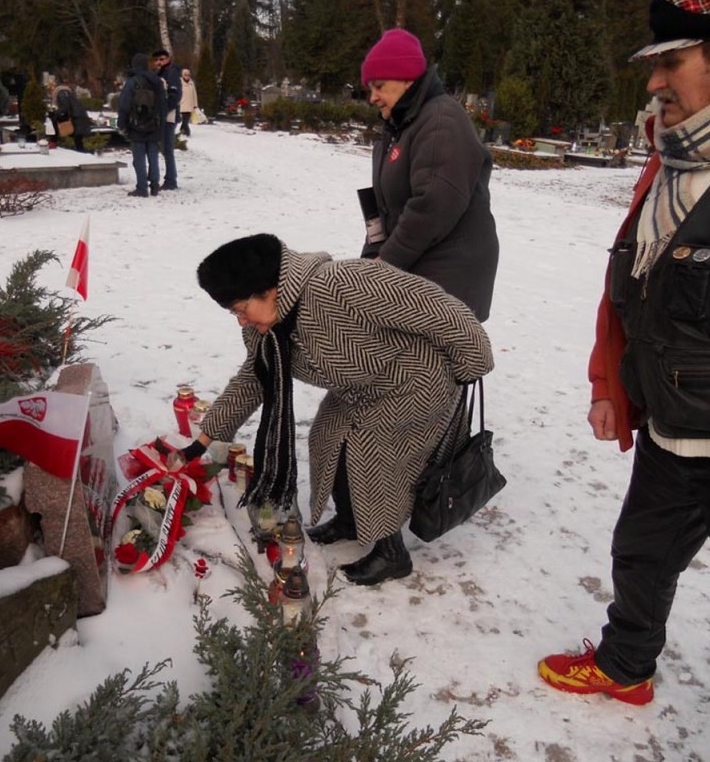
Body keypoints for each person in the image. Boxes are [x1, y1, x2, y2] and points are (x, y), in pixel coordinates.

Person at [536, 0, 710, 759]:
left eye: (671, 62)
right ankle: (625, 668)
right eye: (654, 64)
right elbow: (633, 278)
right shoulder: (677, 148)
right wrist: (607, 381)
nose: (654, 83)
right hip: (670, 430)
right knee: (640, 556)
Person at [177, 233, 493, 586]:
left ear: (270, 290)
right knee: (327, 436)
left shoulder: (341, 283)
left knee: (373, 453)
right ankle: (350, 520)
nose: (240, 321)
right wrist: (202, 440)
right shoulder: (267, 330)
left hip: (416, 379)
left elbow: (439, 309)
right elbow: (254, 378)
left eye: (239, 308)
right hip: (360, 388)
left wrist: (473, 362)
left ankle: (391, 553)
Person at [358, 29, 499, 323]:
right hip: (416, 269)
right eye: (370, 88)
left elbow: (433, 205)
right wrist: (367, 267)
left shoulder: (440, 121)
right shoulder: (400, 127)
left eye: (379, 86)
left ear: (407, 79)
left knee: (443, 367)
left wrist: (386, 264)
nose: (373, 97)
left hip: (449, 278)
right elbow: (383, 208)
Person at [116, 54, 166, 197]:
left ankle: (142, 188)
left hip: (136, 125)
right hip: (154, 124)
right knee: (153, 156)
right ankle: (155, 185)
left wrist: (122, 124)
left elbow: (124, 104)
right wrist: (161, 124)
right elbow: (163, 104)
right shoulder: (157, 81)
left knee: (139, 159)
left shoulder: (132, 82)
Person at [153, 48, 182, 190]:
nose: (159, 62)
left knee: (167, 148)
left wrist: (164, 111)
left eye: (161, 59)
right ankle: (170, 178)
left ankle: (171, 180)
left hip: (169, 117)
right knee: (164, 148)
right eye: (156, 59)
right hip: (164, 115)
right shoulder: (161, 73)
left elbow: (175, 96)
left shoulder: (171, 73)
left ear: (168, 59)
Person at [51, 80, 93, 152]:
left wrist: (55, 113)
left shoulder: (61, 93)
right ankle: (82, 155)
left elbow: (65, 107)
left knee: (78, 141)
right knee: (78, 141)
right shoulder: (69, 93)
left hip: (76, 119)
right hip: (79, 118)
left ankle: (53, 143)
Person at [179, 68, 198, 137]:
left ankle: (182, 130)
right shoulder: (179, 82)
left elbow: (194, 94)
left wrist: (195, 104)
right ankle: (187, 132)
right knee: (185, 120)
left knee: (186, 120)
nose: (187, 76)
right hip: (182, 104)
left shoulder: (191, 83)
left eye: (188, 74)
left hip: (190, 105)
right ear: (182, 75)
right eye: (185, 74)